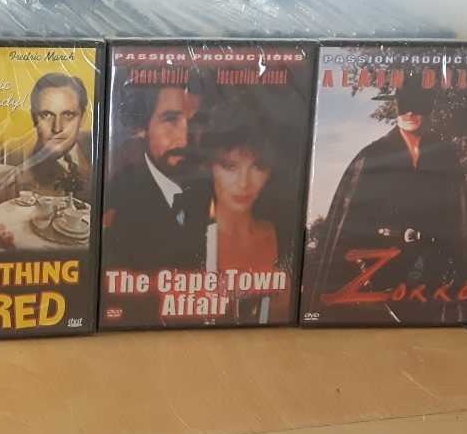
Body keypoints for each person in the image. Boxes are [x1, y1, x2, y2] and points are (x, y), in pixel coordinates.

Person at [308, 85, 467, 323]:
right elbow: (348, 224)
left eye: (418, 104)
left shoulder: (445, 157)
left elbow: (458, 222)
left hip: (434, 269)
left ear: (430, 107)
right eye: (404, 105)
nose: (410, 112)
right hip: (380, 267)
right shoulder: (372, 156)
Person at [102, 75, 211, 273]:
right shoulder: (116, 198)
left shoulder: (214, 189)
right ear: (143, 128)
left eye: (196, 121)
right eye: (171, 120)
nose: (185, 140)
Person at [204, 118, 289, 324]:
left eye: (258, 166)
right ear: (209, 167)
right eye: (230, 166)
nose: (244, 183)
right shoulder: (187, 240)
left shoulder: (284, 239)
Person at [18, 73, 93, 201]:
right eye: (47, 115)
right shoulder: (26, 178)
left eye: (68, 115)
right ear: (34, 118)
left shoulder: (100, 146)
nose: (57, 128)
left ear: (83, 118)